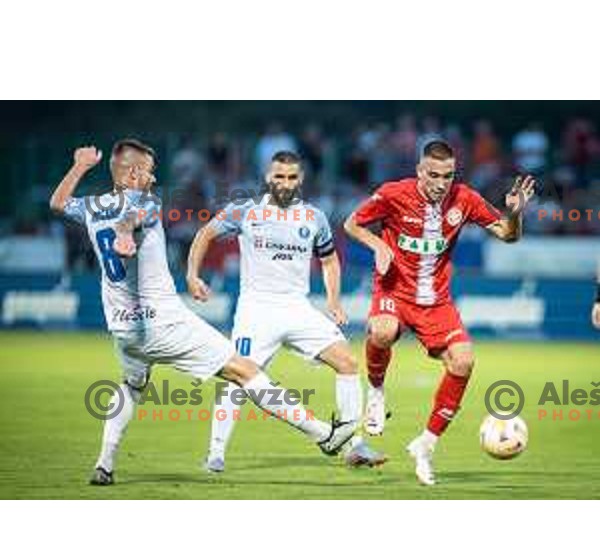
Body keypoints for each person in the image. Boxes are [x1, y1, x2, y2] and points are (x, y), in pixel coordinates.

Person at [49, 140, 355, 485]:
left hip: (124, 329)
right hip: (164, 324)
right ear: (134, 173)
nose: (153, 177)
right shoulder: (146, 202)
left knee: (132, 385)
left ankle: (104, 463)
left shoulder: (93, 205)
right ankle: (322, 434)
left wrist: (80, 166)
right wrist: (123, 232)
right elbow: (133, 218)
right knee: (246, 371)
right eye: (149, 170)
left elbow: (58, 203)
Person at [344, 140, 535, 485]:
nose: (440, 182)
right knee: (383, 332)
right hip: (394, 291)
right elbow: (351, 224)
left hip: (436, 301)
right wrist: (379, 245)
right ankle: (375, 392)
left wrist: (515, 213)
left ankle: (426, 445)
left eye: (447, 175)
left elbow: (508, 236)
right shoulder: (393, 194)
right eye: (433, 174)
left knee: (463, 361)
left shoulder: (465, 198)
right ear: (420, 171)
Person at [187, 151, 386, 472]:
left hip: (298, 308)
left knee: (347, 362)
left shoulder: (313, 217)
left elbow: (329, 260)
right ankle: (215, 453)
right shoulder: (246, 210)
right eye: (279, 176)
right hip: (256, 310)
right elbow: (205, 234)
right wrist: (192, 275)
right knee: (236, 378)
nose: (285, 183)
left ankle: (353, 442)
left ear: (301, 179)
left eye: (292, 177)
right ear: (268, 177)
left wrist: (333, 301)